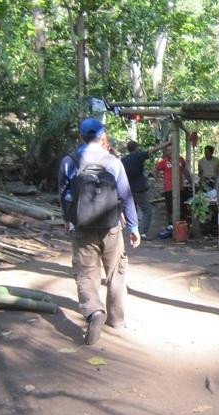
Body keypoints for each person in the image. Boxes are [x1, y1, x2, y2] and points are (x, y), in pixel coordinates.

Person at [58, 118, 140, 345]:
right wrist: (133, 227)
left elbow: (65, 195)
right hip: (111, 226)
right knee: (116, 271)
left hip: (82, 226)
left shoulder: (69, 161)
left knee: (86, 272)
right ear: (102, 137)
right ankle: (116, 319)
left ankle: (94, 311)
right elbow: (125, 195)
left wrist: (68, 219)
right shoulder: (113, 162)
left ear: (81, 137)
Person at [121, 140, 169, 240]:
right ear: (136, 148)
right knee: (147, 210)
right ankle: (142, 232)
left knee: (131, 211)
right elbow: (154, 150)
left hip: (127, 189)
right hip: (138, 189)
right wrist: (167, 143)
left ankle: (132, 231)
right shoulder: (139, 156)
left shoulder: (124, 159)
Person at [153, 146, 193, 233]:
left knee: (181, 208)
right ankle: (171, 226)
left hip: (179, 188)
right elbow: (155, 169)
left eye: (171, 150)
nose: (169, 152)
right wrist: (158, 180)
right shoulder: (164, 161)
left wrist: (191, 182)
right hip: (169, 188)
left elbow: (185, 171)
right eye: (168, 150)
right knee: (170, 209)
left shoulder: (180, 159)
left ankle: (182, 227)